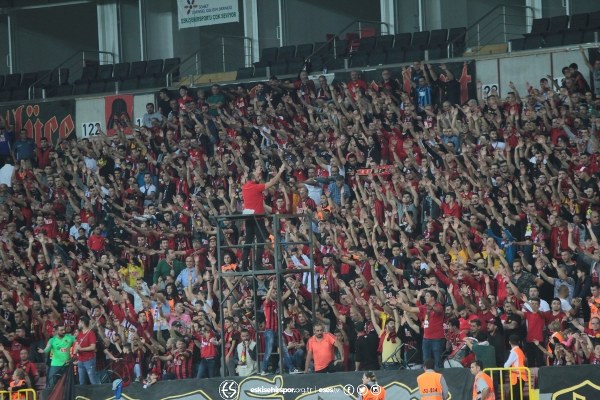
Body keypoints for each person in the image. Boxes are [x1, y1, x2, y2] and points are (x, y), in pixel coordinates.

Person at [240, 162, 286, 270]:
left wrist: (257, 172)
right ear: (252, 178)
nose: (259, 177)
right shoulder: (256, 187)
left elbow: (254, 178)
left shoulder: (245, 187)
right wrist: (280, 171)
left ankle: (244, 264)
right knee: (260, 240)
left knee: (248, 241)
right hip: (258, 218)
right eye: (257, 176)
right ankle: (257, 264)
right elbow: (273, 182)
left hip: (248, 218)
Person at [37, 324, 75, 389]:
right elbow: (47, 348)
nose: (63, 331)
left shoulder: (69, 337)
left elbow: (78, 342)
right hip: (55, 365)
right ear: (57, 331)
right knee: (51, 383)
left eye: (64, 329)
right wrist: (43, 351)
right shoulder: (52, 340)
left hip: (67, 365)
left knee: (68, 384)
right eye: (61, 330)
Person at [74, 316, 98, 385]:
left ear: (82, 323)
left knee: (93, 380)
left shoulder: (91, 333)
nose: (78, 324)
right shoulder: (80, 334)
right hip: (80, 361)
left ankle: (98, 394)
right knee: (81, 382)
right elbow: (77, 345)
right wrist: (76, 351)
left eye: (79, 322)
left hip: (89, 360)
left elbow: (93, 347)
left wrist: (81, 349)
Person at [504, 335, 528, 400]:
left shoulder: (514, 352)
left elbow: (506, 365)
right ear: (519, 342)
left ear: (509, 342)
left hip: (517, 377)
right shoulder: (520, 351)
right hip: (521, 376)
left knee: (515, 397)